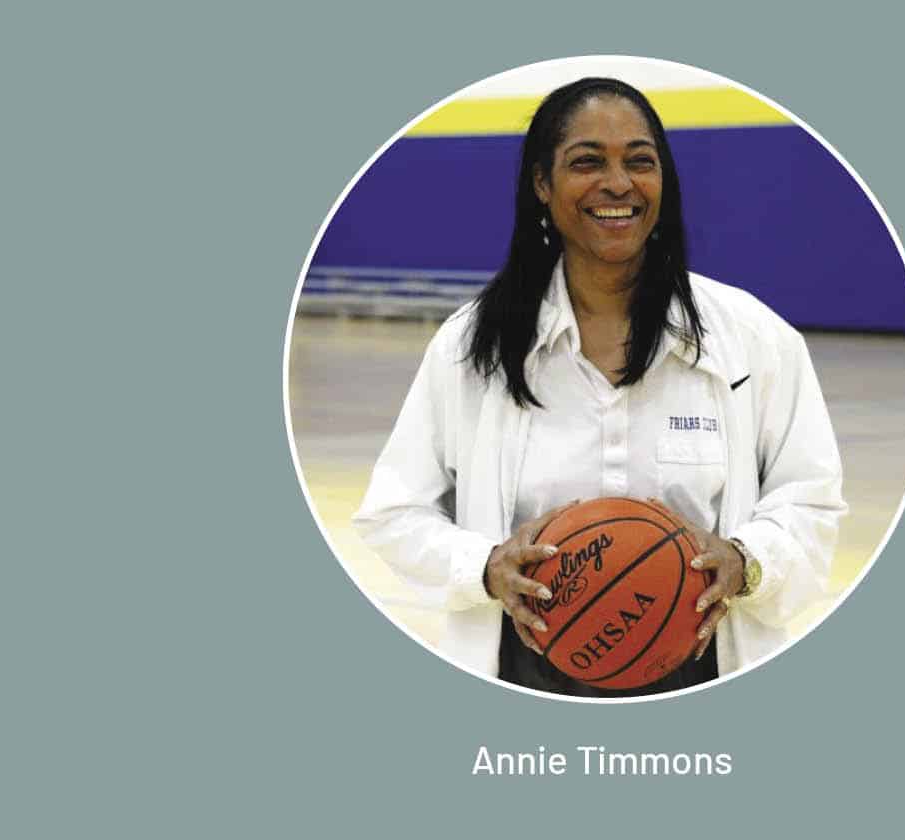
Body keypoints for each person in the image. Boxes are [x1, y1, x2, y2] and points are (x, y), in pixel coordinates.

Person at [353, 77, 846, 697]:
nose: (618, 184)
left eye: (640, 161)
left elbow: (811, 501)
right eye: (587, 162)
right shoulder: (470, 346)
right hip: (522, 675)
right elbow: (394, 513)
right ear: (542, 183)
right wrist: (485, 567)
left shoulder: (754, 338)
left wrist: (747, 561)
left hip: (704, 671)